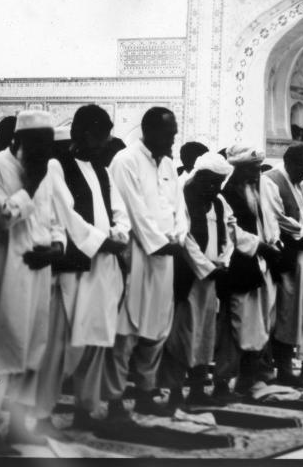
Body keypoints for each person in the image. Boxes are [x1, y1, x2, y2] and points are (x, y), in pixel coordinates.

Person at [0, 111, 83, 453]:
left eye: (49, 144)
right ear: (19, 140)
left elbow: (55, 220)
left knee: (31, 351)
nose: (46, 151)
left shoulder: (46, 170)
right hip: (5, 270)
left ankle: (18, 426)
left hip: (40, 270)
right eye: (39, 144)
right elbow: (5, 217)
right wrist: (30, 185)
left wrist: (57, 248)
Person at [37, 105, 131, 434]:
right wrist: (100, 241)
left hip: (104, 269)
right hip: (74, 268)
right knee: (60, 345)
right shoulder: (56, 166)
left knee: (95, 342)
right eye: (102, 137)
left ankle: (85, 409)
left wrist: (119, 235)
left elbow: (119, 210)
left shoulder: (101, 169)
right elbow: (65, 214)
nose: (105, 144)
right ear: (85, 133)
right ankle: (41, 414)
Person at [105, 107, 187, 422]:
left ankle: (144, 393)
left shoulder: (168, 164)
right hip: (137, 255)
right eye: (169, 133)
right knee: (127, 330)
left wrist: (179, 236)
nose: (173, 139)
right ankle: (113, 402)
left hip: (166, 257)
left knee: (156, 329)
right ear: (150, 131)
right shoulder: (125, 161)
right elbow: (134, 209)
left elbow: (180, 209)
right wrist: (160, 242)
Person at [159, 152, 243, 411]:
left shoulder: (217, 200)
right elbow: (185, 239)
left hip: (211, 279)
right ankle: (174, 392)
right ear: (199, 177)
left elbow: (230, 231)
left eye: (219, 183)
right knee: (182, 336)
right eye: (211, 183)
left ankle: (197, 389)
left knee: (206, 335)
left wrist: (224, 261)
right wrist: (206, 267)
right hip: (187, 279)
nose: (215, 189)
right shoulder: (182, 196)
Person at [215, 145, 281, 400]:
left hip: (260, 267)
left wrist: (272, 244)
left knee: (257, 326)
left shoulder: (258, 190)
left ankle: (249, 380)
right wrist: (259, 246)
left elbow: (269, 222)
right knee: (234, 328)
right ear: (239, 169)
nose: (257, 173)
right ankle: (222, 384)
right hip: (238, 268)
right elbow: (231, 231)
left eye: (258, 169)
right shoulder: (227, 192)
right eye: (252, 169)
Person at [264, 143, 303, 386]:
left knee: (293, 314)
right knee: (280, 313)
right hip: (282, 258)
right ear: (292, 163)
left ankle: (286, 366)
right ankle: (275, 368)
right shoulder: (271, 180)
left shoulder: (297, 183)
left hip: (300, 258)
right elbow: (277, 217)